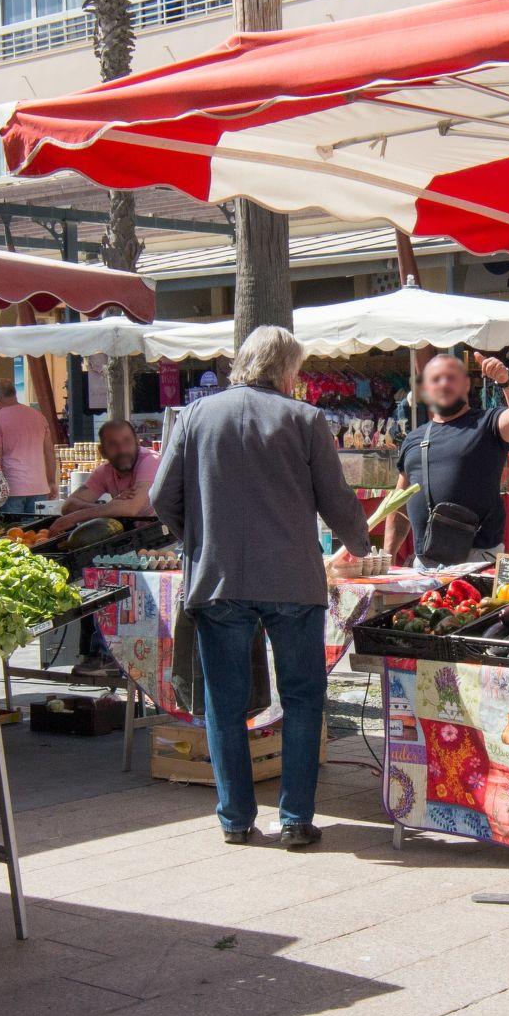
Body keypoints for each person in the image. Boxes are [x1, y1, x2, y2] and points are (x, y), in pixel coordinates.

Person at [149, 326, 371, 849]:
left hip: (218, 577)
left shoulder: (195, 416)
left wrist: (197, 539)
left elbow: (162, 496)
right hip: (292, 579)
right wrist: (358, 542)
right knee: (303, 698)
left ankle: (234, 819)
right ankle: (295, 818)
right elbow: (336, 501)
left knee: (223, 704)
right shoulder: (305, 419)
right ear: (286, 370)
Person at [384, 351, 509, 566]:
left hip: (477, 559)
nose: (444, 384)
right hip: (425, 563)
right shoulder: (414, 439)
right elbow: (399, 504)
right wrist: (388, 558)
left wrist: (507, 381)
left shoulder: (487, 423)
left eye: (452, 377)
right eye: (436, 379)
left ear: (466, 385)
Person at [59, 418, 160, 523]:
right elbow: (68, 506)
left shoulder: (151, 460)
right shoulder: (104, 471)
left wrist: (75, 517)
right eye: (113, 444)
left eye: (127, 442)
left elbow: (131, 508)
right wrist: (110, 507)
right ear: (102, 451)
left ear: (137, 443)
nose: (122, 450)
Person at [0, 377, 56, 514]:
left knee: (13, 531)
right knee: (38, 533)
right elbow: (49, 452)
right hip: (39, 485)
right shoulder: (38, 416)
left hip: (12, 487)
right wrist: (52, 481)